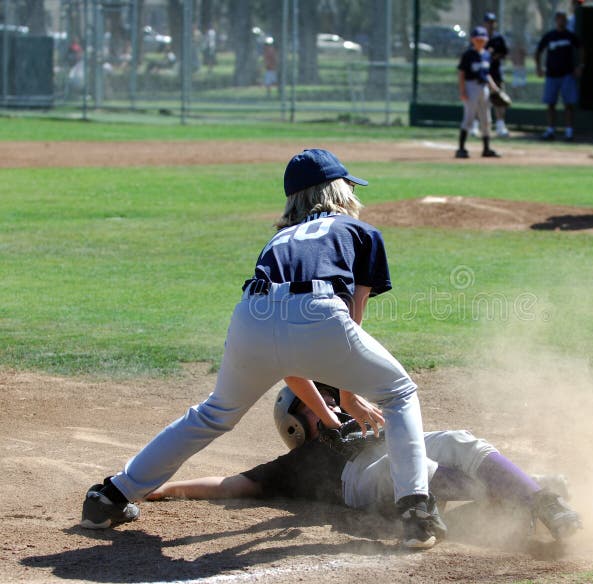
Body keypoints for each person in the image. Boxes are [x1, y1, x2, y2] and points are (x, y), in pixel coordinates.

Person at [80, 149, 447, 550]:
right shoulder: (359, 232)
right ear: (338, 192)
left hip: (251, 314)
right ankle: (415, 512)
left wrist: (334, 404)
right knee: (399, 393)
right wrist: (347, 394)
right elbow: (351, 318)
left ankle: (110, 497)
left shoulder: (278, 240)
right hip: (320, 307)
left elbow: (286, 356)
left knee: (214, 413)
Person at [146, 385, 583, 543]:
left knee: (455, 440)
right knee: (405, 467)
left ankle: (541, 501)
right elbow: (228, 484)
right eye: (315, 402)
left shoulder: (359, 418)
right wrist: (167, 487)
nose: (329, 402)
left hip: (395, 446)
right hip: (363, 479)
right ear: (296, 423)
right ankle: (518, 497)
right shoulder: (296, 464)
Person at [535, 11, 585, 142]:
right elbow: (539, 51)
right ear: (556, 20)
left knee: (568, 104)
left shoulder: (570, 36)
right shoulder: (550, 36)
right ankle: (550, 130)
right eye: (559, 19)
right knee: (550, 104)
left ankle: (569, 132)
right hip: (551, 75)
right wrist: (538, 68)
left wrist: (580, 66)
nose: (561, 22)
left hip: (567, 75)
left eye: (563, 20)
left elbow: (581, 48)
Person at [456, 26, 501, 159]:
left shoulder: (487, 55)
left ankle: (486, 149)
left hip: (484, 88)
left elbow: (486, 74)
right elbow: (461, 73)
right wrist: (463, 90)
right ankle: (461, 148)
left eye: (482, 39)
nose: (480, 42)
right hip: (471, 86)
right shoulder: (468, 55)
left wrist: (494, 87)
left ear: (486, 40)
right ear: (472, 40)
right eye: (477, 39)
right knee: (469, 118)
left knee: (486, 119)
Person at [483, 12, 511, 138]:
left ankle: (500, 126)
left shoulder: (499, 38)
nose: (490, 24)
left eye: (492, 22)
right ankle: (477, 125)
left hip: (496, 73)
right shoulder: (480, 38)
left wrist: (494, 56)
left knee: (499, 99)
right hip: (483, 73)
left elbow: (505, 53)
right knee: (482, 101)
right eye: (488, 22)